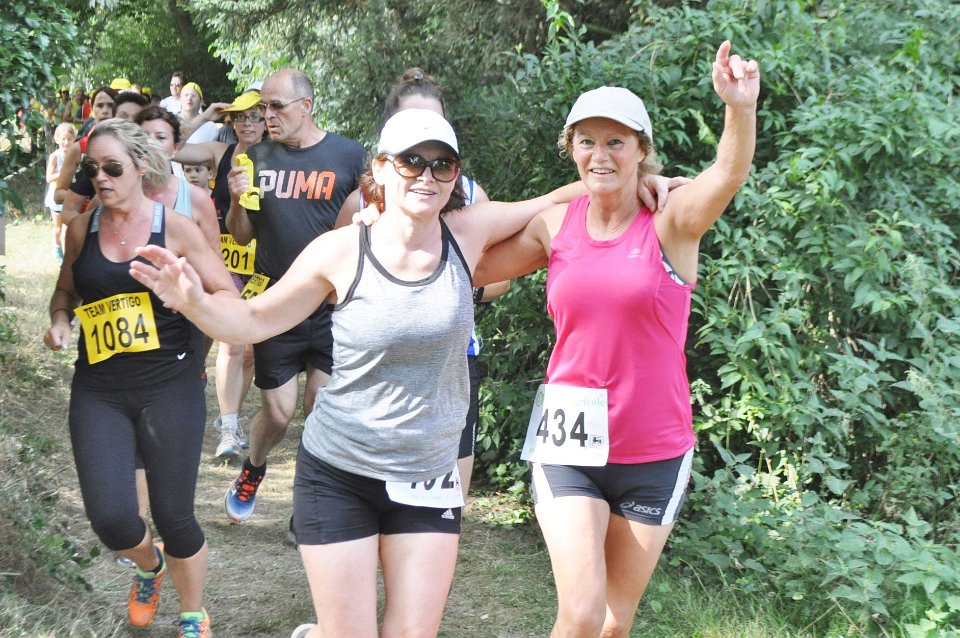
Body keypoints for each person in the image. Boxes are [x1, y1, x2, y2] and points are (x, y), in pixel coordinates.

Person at [129, 107, 597, 638]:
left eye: (442, 165)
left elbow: (559, 200)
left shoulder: (469, 232)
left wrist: (652, 185)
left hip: (428, 473)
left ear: (455, 176)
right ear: (380, 168)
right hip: (340, 472)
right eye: (411, 161)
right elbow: (253, 320)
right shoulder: (342, 250)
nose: (426, 175)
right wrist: (193, 302)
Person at [472, 41, 760, 637]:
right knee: (580, 614)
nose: (599, 154)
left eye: (616, 142)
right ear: (571, 149)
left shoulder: (672, 221)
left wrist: (739, 107)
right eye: (587, 142)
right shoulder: (554, 225)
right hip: (568, 445)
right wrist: (390, 225)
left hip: (654, 448)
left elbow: (727, 174)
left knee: (611, 623)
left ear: (641, 150)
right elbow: (473, 264)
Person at [43, 119, 237, 637]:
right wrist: (60, 321)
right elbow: (65, 292)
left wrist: (188, 298)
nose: (101, 179)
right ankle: (150, 566)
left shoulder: (174, 228)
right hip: (99, 390)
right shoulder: (82, 228)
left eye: (112, 168)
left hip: (169, 383)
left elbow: (227, 293)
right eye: (92, 169)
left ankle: (193, 613)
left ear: (140, 167)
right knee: (111, 519)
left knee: (174, 516)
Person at [335, 66, 509, 500]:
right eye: (410, 125)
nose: (424, 143)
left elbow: (500, 281)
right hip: (378, 361)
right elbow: (330, 285)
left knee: (447, 501)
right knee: (367, 496)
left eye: (433, 124)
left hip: (451, 358)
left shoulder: (471, 195)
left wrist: (448, 281)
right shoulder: (360, 201)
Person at [218, 68, 366, 523]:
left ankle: (308, 502)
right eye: (264, 107)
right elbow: (240, 237)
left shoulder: (348, 155)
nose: (267, 115)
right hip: (277, 303)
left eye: (277, 106)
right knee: (279, 413)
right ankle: (254, 466)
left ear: (307, 106)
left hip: (332, 305)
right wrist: (236, 200)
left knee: (320, 410)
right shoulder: (256, 156)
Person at [174, 88, 266, 459]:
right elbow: (168, 148)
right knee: (203, 339)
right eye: (240, 117)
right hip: (218, 259)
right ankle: (188, 404)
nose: (248, 123)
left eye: (256, 116)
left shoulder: (279, 157)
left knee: (244, 349)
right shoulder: (219, 152)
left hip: (259, 265)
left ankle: (229, 423)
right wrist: (204, 117)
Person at [53, 86, 119, 209]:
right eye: (100, 106)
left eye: (110, 106)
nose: (105, 111)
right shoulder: (79, 148)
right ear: (92, 111)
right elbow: (58, 195)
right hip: (87, 217)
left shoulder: (127, 145)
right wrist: (84, 198)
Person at [45, 122, 77, 264]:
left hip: (71, 196)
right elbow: (48, 178)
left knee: (71, 228)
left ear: (74, 139)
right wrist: (64, 172)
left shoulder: (76, 155)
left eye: (69, 139)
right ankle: (58, 250)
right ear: (57, 139)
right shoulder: (55, 156)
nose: (66, 142)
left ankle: (71, 255)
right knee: (58, 228)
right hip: (56, 197)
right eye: (63, 139)